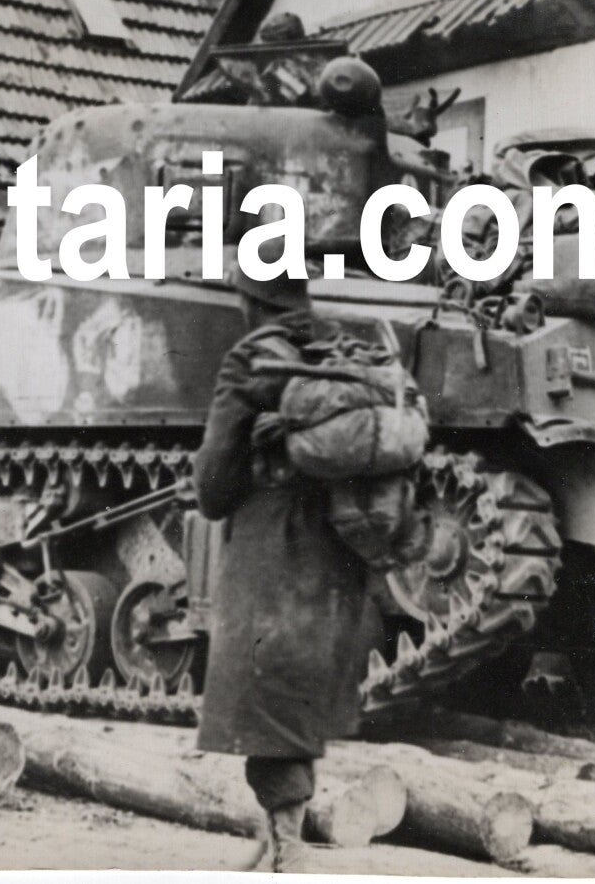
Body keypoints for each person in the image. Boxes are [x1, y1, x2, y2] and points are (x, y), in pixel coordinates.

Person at [192, 269, 380, 872]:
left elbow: (213, 491)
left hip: (272, 548)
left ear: (251, 301)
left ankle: (289, 852)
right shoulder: (334, 349)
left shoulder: (251, 361)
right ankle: (277, 840)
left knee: (262, 702)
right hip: (340, 551)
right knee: (294, 699)